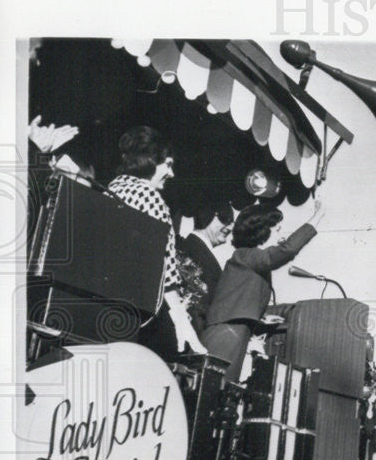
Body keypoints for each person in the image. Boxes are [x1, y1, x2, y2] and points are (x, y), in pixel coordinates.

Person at [107, 126, 206, 359]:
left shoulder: (112, 188)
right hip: (133, 312)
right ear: (150, 161)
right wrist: (182, 322)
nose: (171, 173)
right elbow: (165, 269)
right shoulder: (149, 196)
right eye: (168, 164)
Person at [202, 198, 325, 381]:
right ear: (262, 230)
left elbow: (239, 300)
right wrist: (317, 217)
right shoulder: (246, 255)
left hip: (232, 332)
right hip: (226, 335)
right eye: (277, 230)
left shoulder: (249, 259)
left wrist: (261, 319)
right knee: (215, 387)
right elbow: (287, 250)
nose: (281, 236)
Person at [177, 205, 234, 334]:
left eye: (231, 222)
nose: (230, 228)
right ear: (206, 217)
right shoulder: (194, 250)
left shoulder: (194, 248)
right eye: (225, 219)